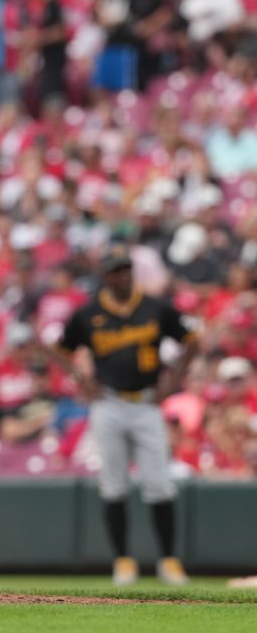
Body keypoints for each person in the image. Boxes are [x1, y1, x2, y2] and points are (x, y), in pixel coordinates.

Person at [50, 244, 197, 586]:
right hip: (109, 403)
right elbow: (59, 350)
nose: (124, 276)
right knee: (113, 484)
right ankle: (123, 561)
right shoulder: (88, 313)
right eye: (117, 271)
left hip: (147, 402)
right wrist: (81, 381)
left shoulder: (155, 307)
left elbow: (192, 341)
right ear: (105, 277)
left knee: (159, 484)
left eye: (127, 269)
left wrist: (172, 382)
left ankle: (169, 561)